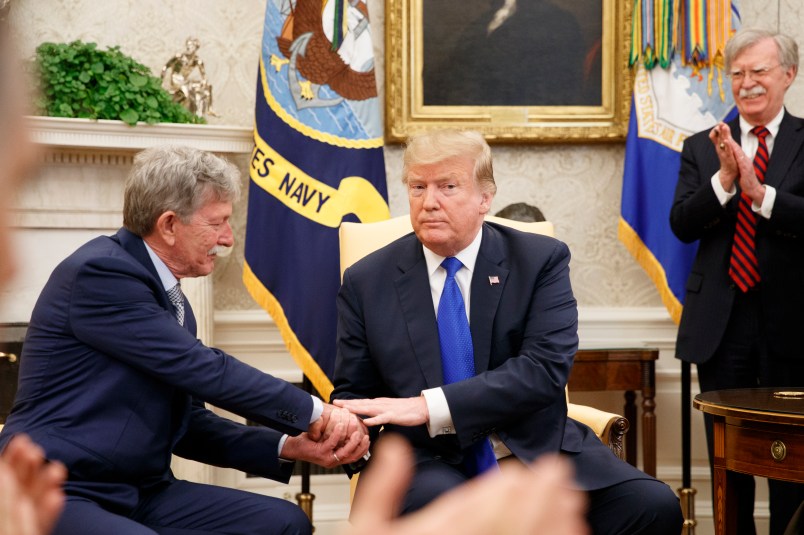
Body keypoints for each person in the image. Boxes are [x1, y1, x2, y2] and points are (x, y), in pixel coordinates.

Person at [0, 144, 370, 535]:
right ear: (169, 225)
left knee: (284, 523)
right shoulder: (101, 274)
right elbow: (206, 368)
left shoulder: (170, 301)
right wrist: (319, 413)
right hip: (58, 486)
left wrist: (285, 446)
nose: (228, 239)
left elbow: (187, 423)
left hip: (142, 491)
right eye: (218, 222)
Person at [332, 128, 683, 534]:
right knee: (463, 518)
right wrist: (347, 430)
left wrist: (430, 406)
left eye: (448, 186)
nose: (429, 202)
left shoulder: (539, 261)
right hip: (426, 459)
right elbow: (353, 395)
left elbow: (544, 370)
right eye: (418, 187)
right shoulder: (367, 280)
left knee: (653, 506)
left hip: (534, 447)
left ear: (485, 198)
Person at [670, 27, 804, 535]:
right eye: (737, 74)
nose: (746, 84)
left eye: (759, 72)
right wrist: (725, 182)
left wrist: (760, 194)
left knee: (792, 466)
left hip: (791, 326)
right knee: (731, 464)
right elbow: (681, 224)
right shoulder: (704, 149)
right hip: (720, 328)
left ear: (787, 75)